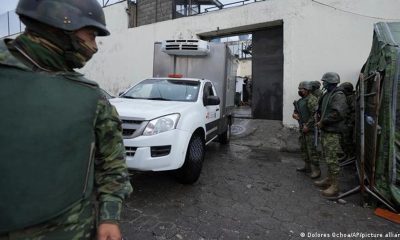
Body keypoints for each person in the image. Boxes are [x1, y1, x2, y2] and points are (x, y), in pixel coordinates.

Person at [0, 0, 133, 239]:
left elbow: (112, 163)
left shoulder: (91, 97)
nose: (94, 47)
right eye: (91, 35)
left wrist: (109, 216)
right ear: (61, 25)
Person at [314, 72, 347, 197]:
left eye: (324, 81)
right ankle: (329, 180)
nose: (323, 83)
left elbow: (337, 114)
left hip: (332, 132)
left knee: (332, 159)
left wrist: (323, 122)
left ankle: (335, 186)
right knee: (327, 157)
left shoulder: (338, 95)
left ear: (330, 82)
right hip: (326, 130)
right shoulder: (328, 94)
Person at [292, 81, 321, 179]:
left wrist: (308, 126)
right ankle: (307, 166)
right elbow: (297, 111)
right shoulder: (301, 101)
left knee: (312, 150)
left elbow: (315, 115)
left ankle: (316, 170)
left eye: (302, 89)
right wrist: (295, 114)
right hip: (302, 128)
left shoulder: (312, 99)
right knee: (304, 148)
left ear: (308, 90)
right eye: (299, 89)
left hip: (310, 130)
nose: (300, 91)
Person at [339, 82, 356, 160]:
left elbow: (354, 112)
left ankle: (350, 156)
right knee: (343, 140)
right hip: (344, 123)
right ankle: (346, 155)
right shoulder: (346, 97)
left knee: (347, 141)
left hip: (348, 124)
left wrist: (349, 123)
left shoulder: (351, 98)